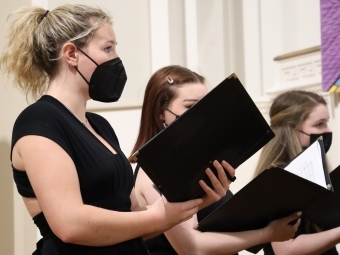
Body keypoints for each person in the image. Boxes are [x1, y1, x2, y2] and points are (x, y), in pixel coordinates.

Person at [0, 5, 236, 254]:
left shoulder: (100, 126)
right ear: (71, 54)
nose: (116, 58)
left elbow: (134, 219)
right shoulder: (38, 121)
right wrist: (159, 215)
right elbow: (70, 224)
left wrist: (198, 199)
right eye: (107, 48)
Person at [129, 65, 301, 255]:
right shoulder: (154, 171)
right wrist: (267, 233)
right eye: (191, 107)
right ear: (161, 112)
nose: (202, 116)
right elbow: (191, 248)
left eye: (207, 106)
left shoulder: (196, 163)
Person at [253, 90, 340, 255]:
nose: (328, 131)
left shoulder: (317, 172)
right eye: (319, 124)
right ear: (292, 129)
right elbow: (286, 249)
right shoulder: (279, 179)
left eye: (327, 123)